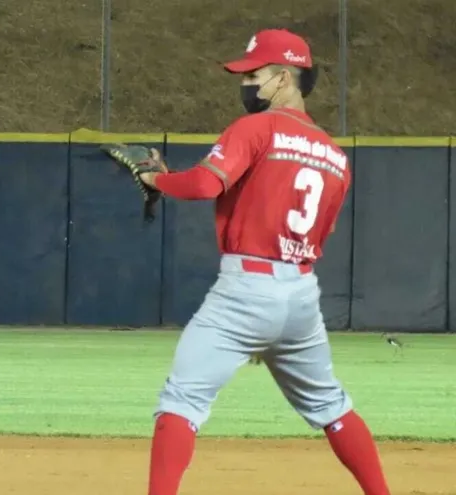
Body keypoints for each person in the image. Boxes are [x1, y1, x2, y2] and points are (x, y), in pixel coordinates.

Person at [134, 29, 391, 495]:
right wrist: (271, 323)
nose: (247, 83)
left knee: (182, 402)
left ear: (282, 77)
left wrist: (156, 178)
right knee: (332, 406)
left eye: (254, 74)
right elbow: (323, 235)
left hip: (245, 288)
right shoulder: (336, 156)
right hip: (300, 296)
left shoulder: (256, 128)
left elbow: (203, 186)